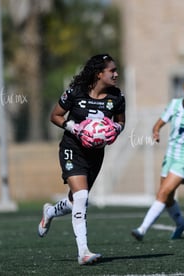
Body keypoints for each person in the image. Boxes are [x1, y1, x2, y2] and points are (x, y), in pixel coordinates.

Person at [37, 54, 126, 264]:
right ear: (99, 74)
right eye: (112, 70)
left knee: (74, 200)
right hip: (72, 148)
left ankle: (49, 212)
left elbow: (121, 122)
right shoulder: (75, 92)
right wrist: (75, 128)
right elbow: (55, 116)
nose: (116, 73)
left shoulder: (117, 97)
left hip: (95, 154)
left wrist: (114, 129)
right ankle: (83, 251)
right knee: (82, 197)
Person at [131, 78, 184, 241]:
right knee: (166, 196)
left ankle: (142, 229)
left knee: (163, 192)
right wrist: (155, 131)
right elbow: (159, 124)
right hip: (171, 155)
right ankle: (181, 223)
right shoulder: (175, 105)